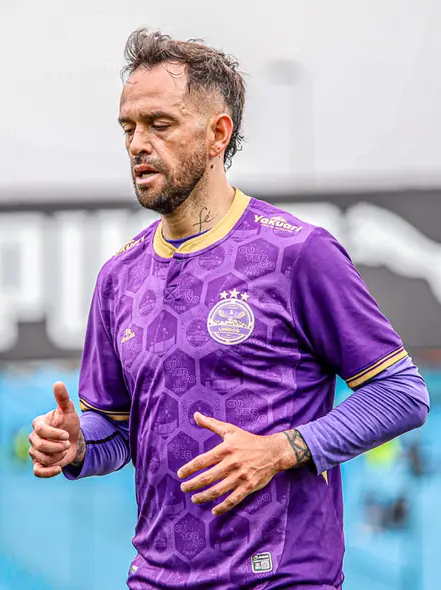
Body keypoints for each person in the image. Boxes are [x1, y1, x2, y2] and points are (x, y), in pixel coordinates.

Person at [27, 29, 430, 590]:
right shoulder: (119, 277)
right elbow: (114, 431)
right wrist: (75, 444)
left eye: (159, 124)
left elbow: (402, 396)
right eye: (129, 127)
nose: (138, 143)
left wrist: (283, 449)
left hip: (280, 579)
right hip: (156, 578)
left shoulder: (296, 253)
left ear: (218, 134)